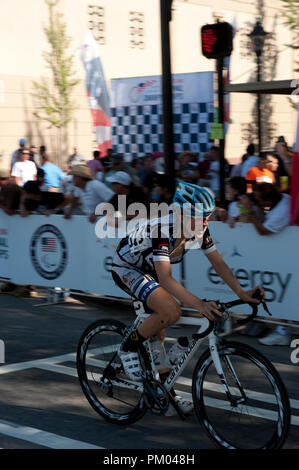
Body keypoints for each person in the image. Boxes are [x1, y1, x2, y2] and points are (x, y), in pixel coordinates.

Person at [111, 182, 263, 414]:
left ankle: (165, 393)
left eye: (208, 217)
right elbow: (166, 279)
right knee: (171, 310)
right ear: (181, 214)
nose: (204, 223)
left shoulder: (199, 230)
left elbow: (219, 263)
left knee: (158, 333)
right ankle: (129, 348)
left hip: (149, 268)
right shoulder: (162, 230)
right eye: (199, 217)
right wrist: (199, 304)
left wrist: (242, 293)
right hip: (127, 268)